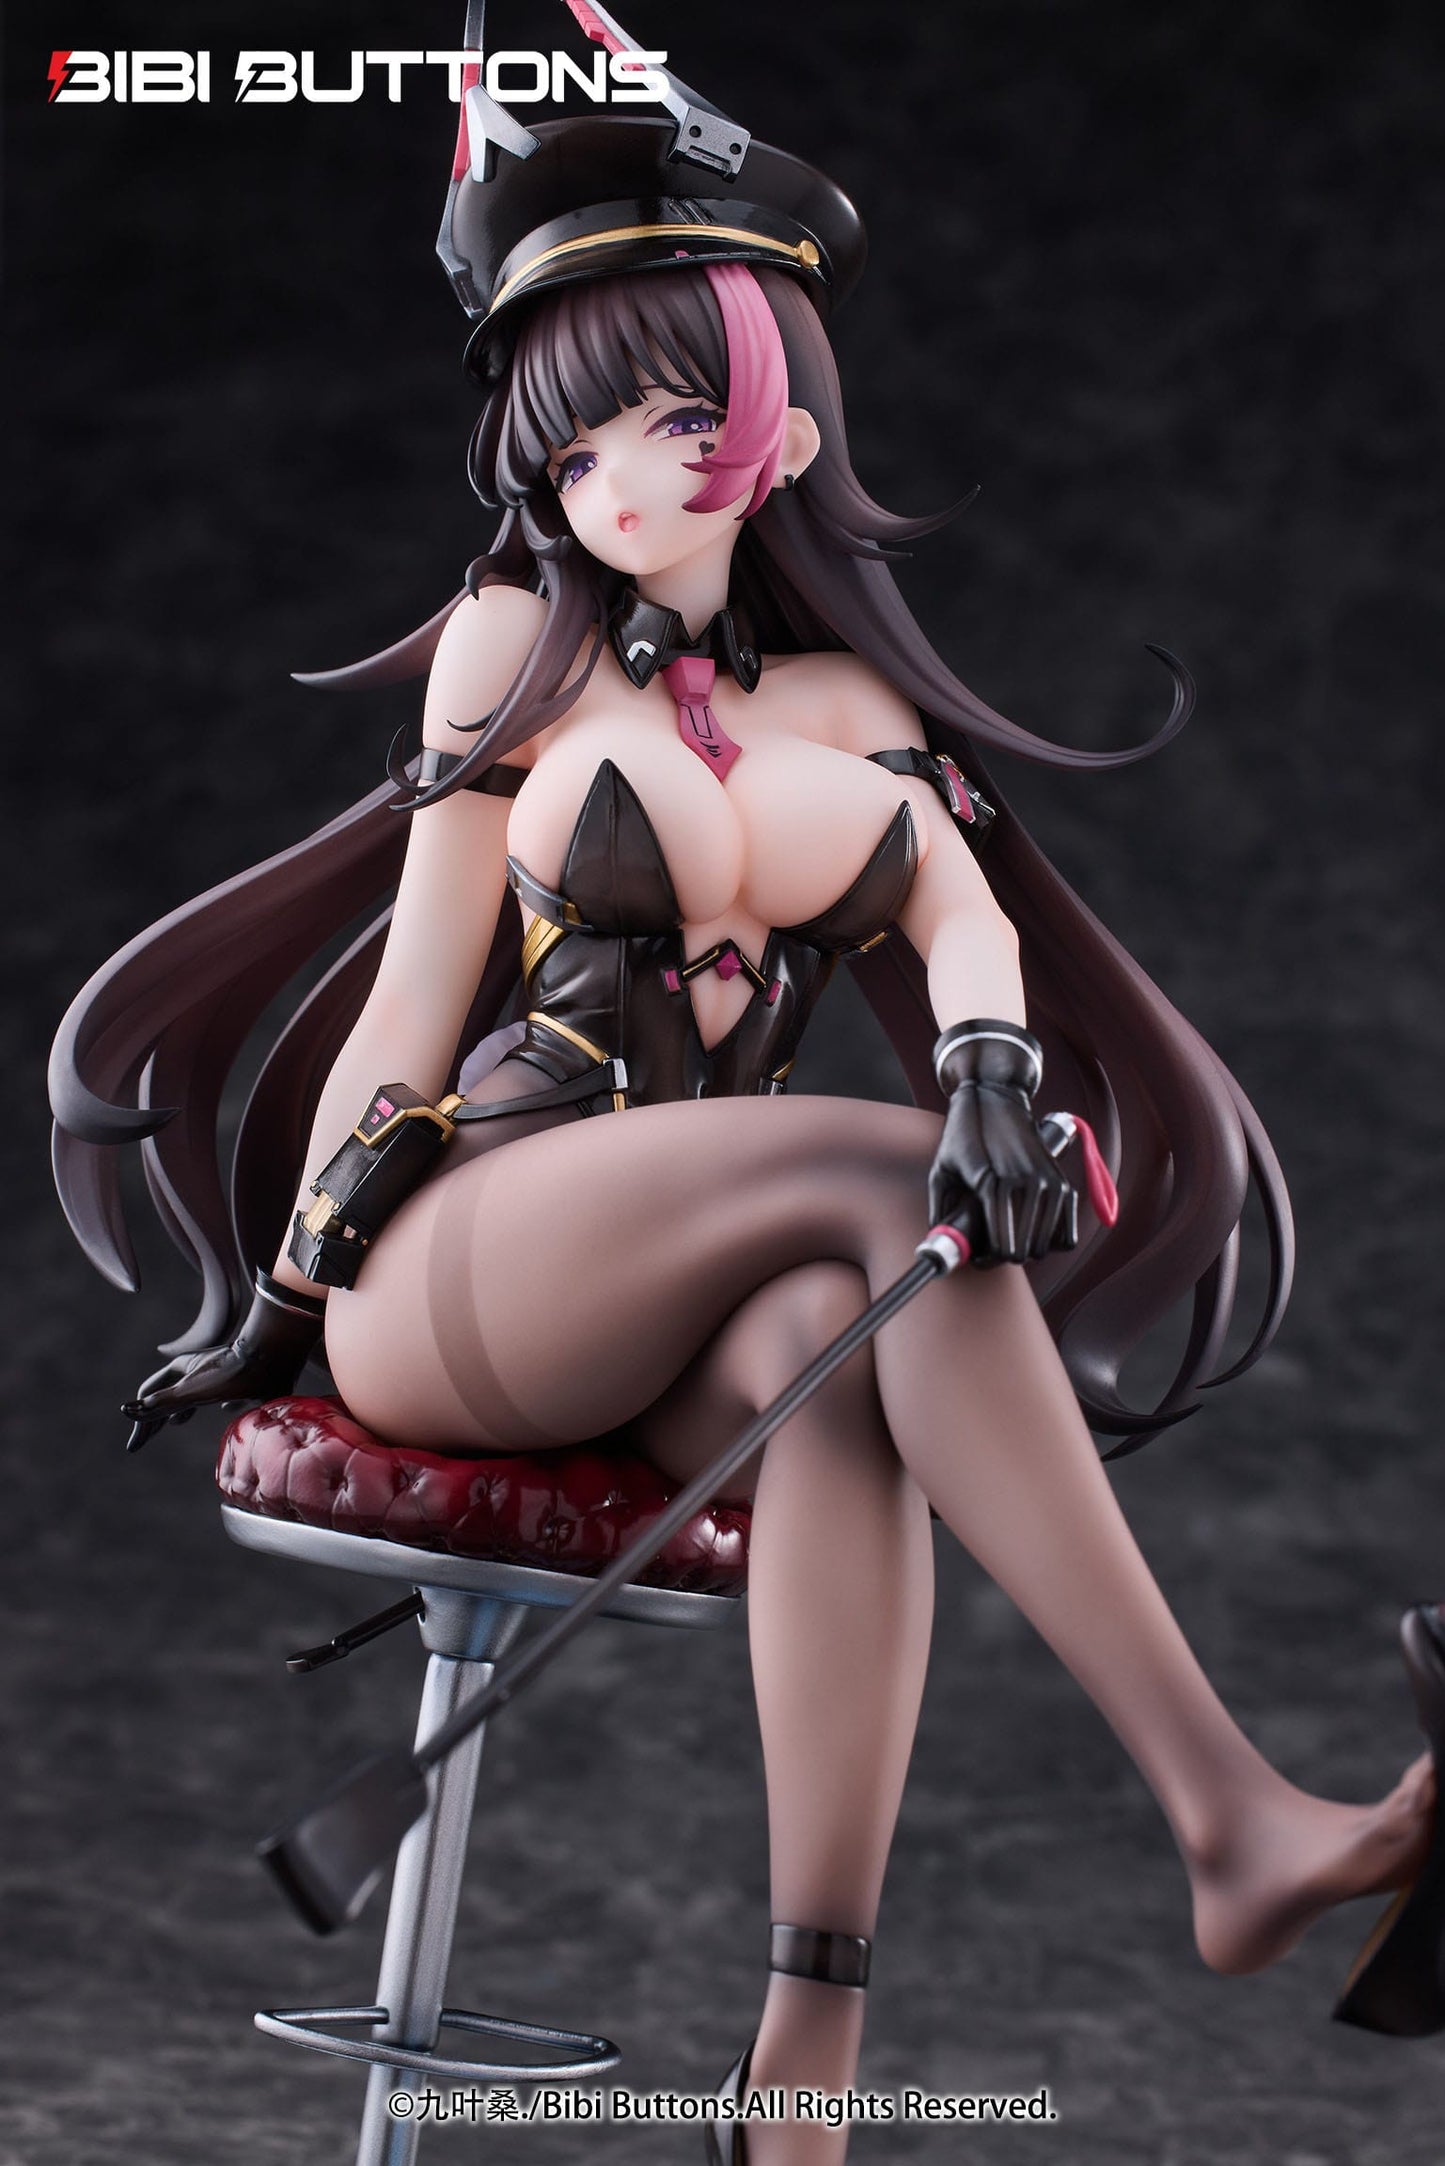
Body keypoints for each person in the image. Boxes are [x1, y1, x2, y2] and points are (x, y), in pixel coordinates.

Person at [48, 55, 1443, 2166]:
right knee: (886, 1178)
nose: (616, 475)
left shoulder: (850, 709)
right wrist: (291, 1289)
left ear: (780, 426)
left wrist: (990, 1064)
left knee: (842, 1353)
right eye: (573, 438)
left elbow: (964, 922)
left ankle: (803, 2068)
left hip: (694, 1305)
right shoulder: (510, 648)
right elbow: (413, 1002)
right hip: (467, 1267)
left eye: (668, 417)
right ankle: (1229, 1812)